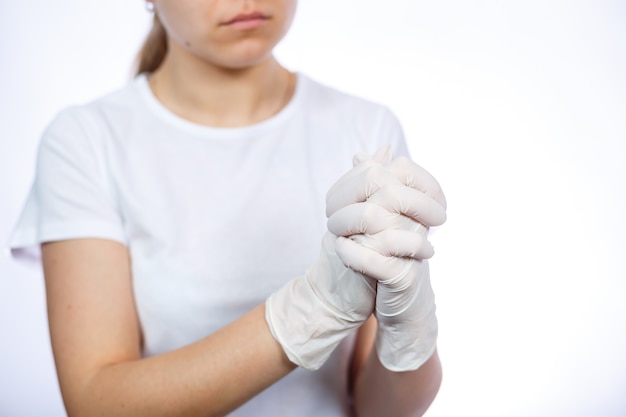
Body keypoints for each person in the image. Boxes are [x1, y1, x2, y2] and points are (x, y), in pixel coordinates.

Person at [8, 1, 447, 416]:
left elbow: (377, 409)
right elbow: (95, 403)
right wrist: (312, 310)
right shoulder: (88, 142)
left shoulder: (365, 129)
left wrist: (409, 328)